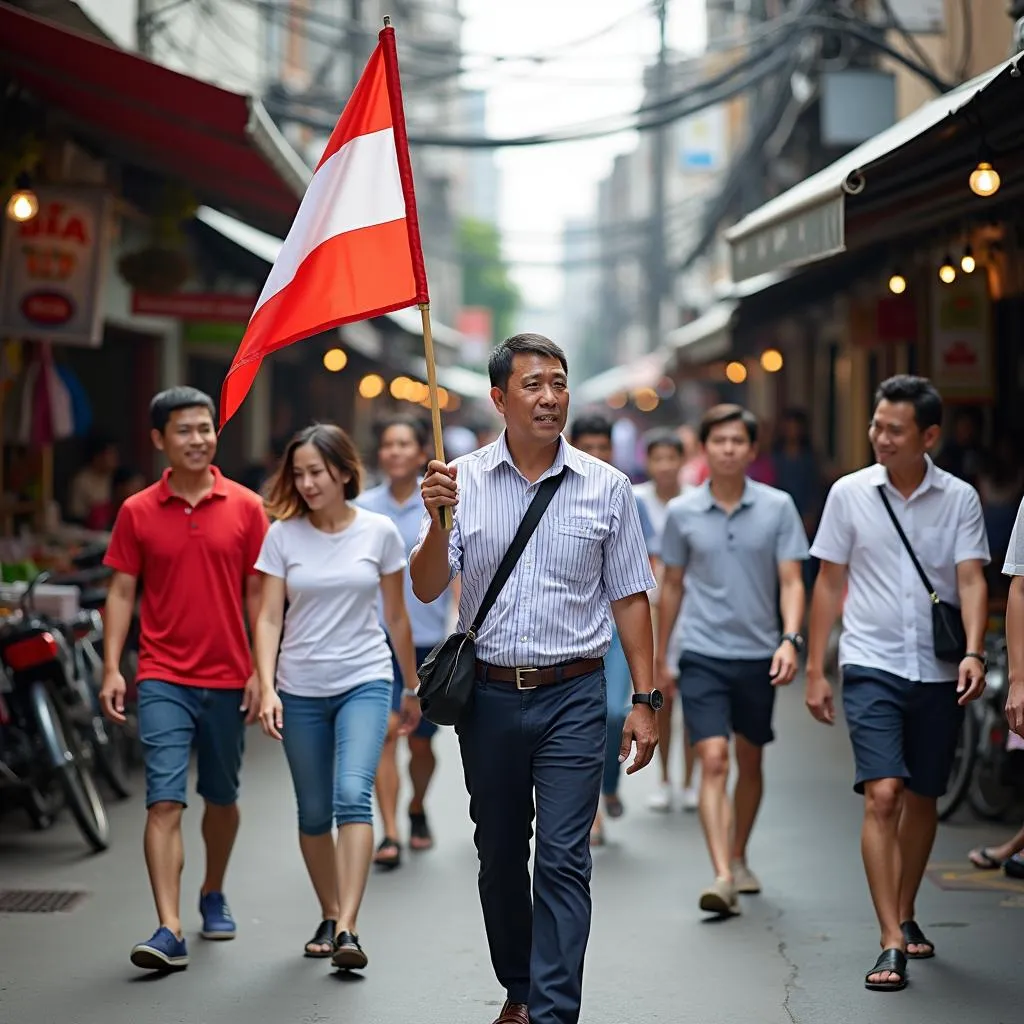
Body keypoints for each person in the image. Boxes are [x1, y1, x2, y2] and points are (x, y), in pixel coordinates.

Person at [410, 333, 659, 1024]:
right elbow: (429, 586)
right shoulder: (457, 481)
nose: (550, 397)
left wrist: (644, 697)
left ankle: (552, 1011)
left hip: (575, 693)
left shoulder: (607, 486)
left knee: (562, 858)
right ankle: (519, 985)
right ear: (500, 398)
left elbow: (632, 597)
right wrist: (435, 523)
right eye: (533, 385)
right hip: (486, 696)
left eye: (558, 382)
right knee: (498, 853)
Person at [805, 374, 989, 993]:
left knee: (923, 797)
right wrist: (814, 670)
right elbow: (829, 581)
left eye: (894, 429)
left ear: (928, 436)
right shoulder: (850, 494)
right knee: (883, 793)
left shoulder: (960, 498)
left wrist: (972, 651)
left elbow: (969, 579)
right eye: (876, 425)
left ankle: (906, 907)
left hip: (938, 669)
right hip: (870, 662)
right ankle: (889, 939)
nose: (879, 437)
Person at [99, 387, 268, 971]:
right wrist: (111, 668)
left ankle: (212, 890)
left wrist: (260, 673)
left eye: (205, 428)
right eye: (184, 430)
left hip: (227, 675)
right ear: (158, 440)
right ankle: (168, 926)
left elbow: (259, 595)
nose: (198, 439)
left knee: (221, 798)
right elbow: (121, 589)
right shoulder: (137, 511)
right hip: (162, 674)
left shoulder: (247, 506)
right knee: (163, 801)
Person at [253, 424, 420, 969]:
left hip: (365, 680)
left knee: (353, 793)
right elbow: (269, 615)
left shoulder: (379, 532)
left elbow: (396, 616)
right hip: (300, 687)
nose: (306, 483)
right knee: (313, 811)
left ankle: (347, 925)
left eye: (316, 472)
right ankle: (328, 910)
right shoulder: (282, 535)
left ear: (344, 473)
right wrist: (267, 683)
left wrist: (412, 685)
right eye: (298, 474)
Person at [656, 404, 808, 918]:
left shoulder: (778, 507)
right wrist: (660, 658)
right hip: (701, 653)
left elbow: (792, 580)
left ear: (751, 449)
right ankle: (721, 874)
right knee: (714, 760)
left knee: (751, 757)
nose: (727, 449)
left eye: (737, 441)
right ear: (704, 447)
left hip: (758, 653)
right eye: (718, 440)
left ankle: (740, 852)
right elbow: (671, 586)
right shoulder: (682, 512)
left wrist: (790, 639)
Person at [354, 415, 456, 867]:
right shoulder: (361, 506)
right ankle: (390, 830)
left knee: (419, 743)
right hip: (374, 639)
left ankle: (416, 807)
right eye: (388, 443)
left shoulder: (440, 501)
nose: (394, 451)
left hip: (428, 640)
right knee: (384, 736)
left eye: (404, 444)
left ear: (420, 452)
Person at [566, 413, 639, 846]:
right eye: (587, 445)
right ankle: (591, 808)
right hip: (574, 632)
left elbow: (641, 578)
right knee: (586, 719)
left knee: (614, 713)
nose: (596, 454)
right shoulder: (562, 490)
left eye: (603, 445)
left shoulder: (621, 492)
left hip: (615, 627)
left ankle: (608, 783)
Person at [633, 429, 698, 812]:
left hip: (691, 610)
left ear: (682, 461)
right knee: (660, 699)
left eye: (672, 458)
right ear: (648, 462)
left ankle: (691, 780)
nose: (666, 466)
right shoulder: (636, 499)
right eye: (658, 459)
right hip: (650, 611)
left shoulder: (695, 501)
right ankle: (664, 778)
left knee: (690, 696)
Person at [68, 435, 119, 527]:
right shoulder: (82, 480)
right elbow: (77, 515)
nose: (114, 458)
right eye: (110, 454)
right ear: (97, 457)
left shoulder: (115, 478)